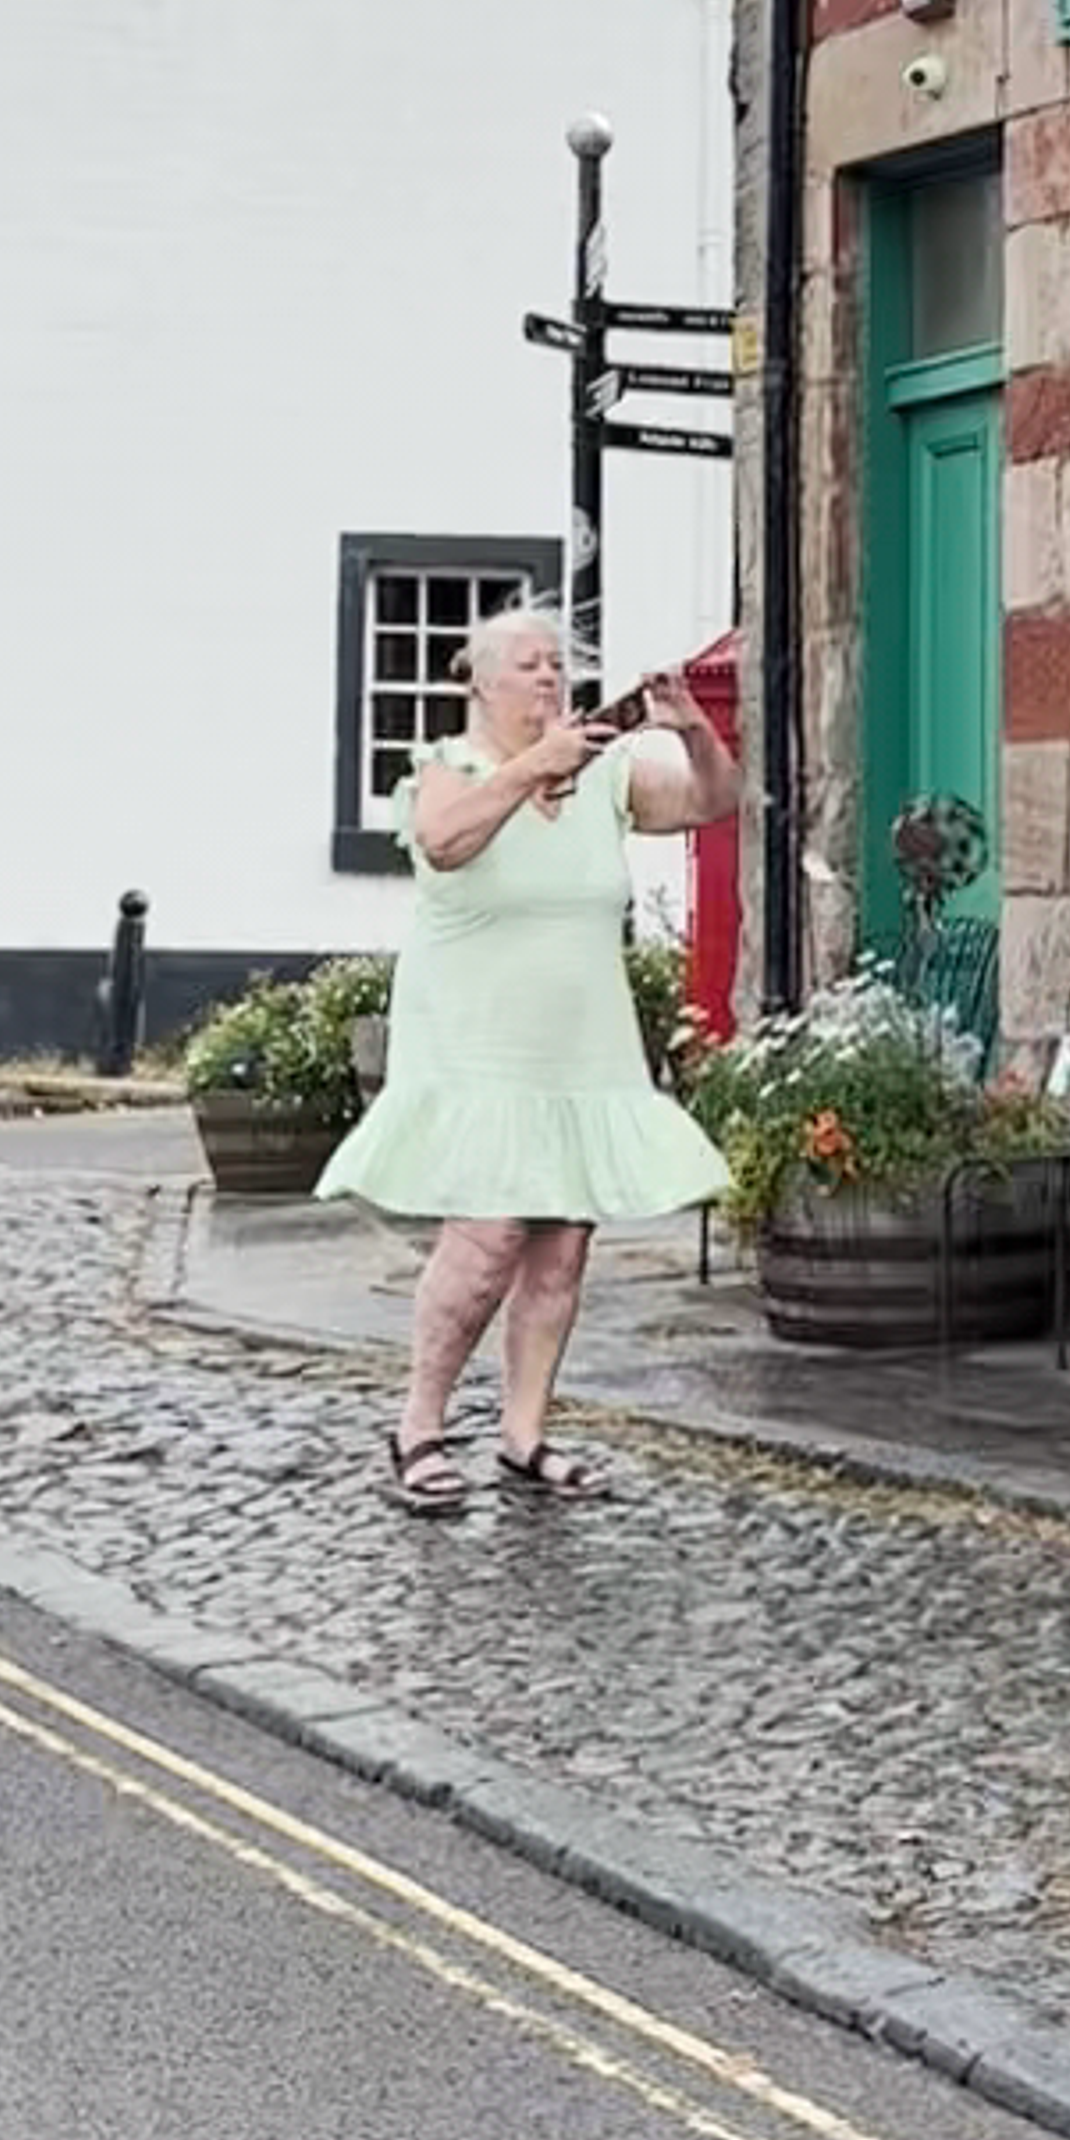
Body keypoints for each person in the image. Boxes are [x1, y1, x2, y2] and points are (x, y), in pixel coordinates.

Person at [321, 608, 732, 1511]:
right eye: (529, 665)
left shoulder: (607, 773)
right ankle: (417, 1428)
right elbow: (443, 840)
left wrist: (691, 726)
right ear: (481, 682)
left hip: (579, 1045)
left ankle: (523, 1434)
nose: (549, 679)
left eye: (557, 664)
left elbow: (714, 801)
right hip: (475, 1043)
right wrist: (530, 768)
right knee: (489, 1234)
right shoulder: (447, 769)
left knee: (562, 1242)